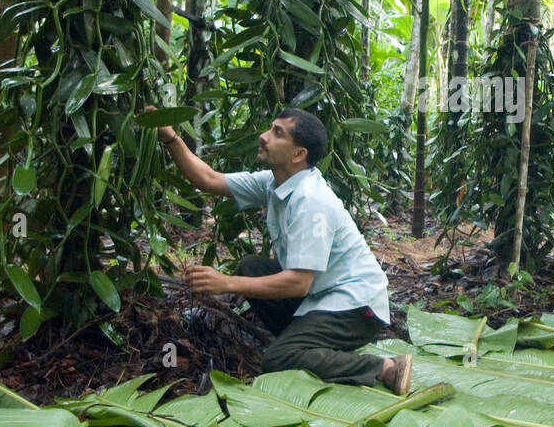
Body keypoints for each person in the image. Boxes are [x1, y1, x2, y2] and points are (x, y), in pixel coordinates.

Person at [150, 106, 412, 395]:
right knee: (251, 267)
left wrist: (225, 283)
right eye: (270, 128)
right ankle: (301, 343)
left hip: (356, 306)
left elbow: (299, 283)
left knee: (277, 359)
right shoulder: (275, 182)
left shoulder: (311, 202)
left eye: (277, 133)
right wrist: (169, 135)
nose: (263, 137)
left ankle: (383, 368)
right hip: (322, 294)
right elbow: (208, 180)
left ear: (298, 154)